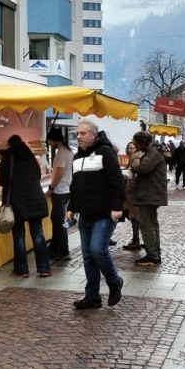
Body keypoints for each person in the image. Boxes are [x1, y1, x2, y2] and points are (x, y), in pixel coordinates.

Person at [66, 119, 125, 309]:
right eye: (77, 134)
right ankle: (92, 295)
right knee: (88, 256)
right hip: (85, 216)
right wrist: (71, 207)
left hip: (104, 214)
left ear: (94, 134)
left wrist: (117, 207)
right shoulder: (77, 157)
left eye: (83, 134)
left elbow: (117, 182)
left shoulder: (105, 153)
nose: (79, 137)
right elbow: (75, 186)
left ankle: (114, 281)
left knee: (97, 250)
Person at [0, 135, 52, 277]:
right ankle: (44, 268)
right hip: (36, 199)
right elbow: (38, 175)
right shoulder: (30, 156)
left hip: (18, 201)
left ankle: (22, 270)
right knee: (38, 234)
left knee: (19, 235)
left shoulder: (8, 156)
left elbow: (1, 179)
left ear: (10, 145)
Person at [129, 131, 167, 266]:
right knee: (152, 224)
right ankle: (155, 253)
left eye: (137, 144)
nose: (136, 147)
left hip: (149, 194)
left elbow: (141, 169)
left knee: (146, 225)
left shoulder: (153, 154)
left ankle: (152, 255)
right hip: (150, 194)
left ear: (141, 142)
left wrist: (136, 160)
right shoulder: (153, 152)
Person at [46, 128, 74, 260]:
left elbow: (59, 173)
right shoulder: (68, 151)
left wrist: (51, 187)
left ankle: (63, 249)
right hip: (66, 189)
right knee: (56, 218)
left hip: (60, 190)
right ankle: (55, 245)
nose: (49, 143)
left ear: (53, 140)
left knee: (59, 220)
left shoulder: (61, 153)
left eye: (49, 141)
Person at [120, 140, 142, 251]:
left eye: (132, 148)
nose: (130, 150)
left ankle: (136, 240)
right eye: (128, 148)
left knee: (134, 217)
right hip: (132, 192)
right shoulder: (133, 158)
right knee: (134, 217)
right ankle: (136, 239)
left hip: (132, 192)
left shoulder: (135, 158)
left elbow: (133, 176)